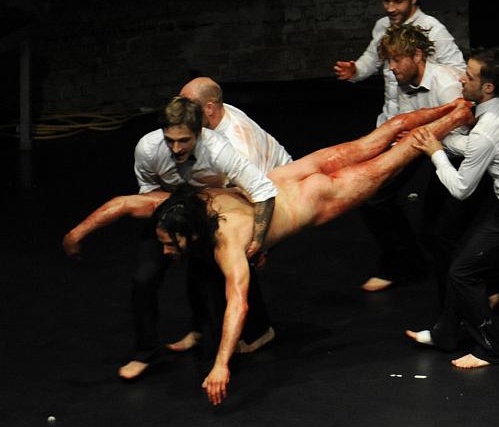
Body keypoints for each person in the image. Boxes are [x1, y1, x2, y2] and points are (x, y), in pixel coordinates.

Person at [63, 99, 474, 406]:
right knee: (379, 137)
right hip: (292, 175)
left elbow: (237, 304)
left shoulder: (226, 242)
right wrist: (78, 233)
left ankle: (460, 114)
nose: (167, 250)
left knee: (399, 152)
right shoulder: (190, 202)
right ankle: (459, 107)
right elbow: (122, 204)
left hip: (317, 199)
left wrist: (221, 364)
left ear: (188, 234)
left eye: (171, 244)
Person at [63, 96, 278, 381]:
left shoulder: (219, 150)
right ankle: (146, 353)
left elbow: (263, 191)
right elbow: (142, 195)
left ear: (199, 133)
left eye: (184, 141)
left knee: (214, 277)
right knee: (144, 277)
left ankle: (220, 344)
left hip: (210, 215)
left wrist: (258, 242)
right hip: (170, 212)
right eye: (170, 140)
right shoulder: (148, 148)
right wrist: (75, 234)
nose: (176, 148)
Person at [404, 47, 499, 368]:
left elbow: (461, 188)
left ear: (487, 87)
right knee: (462, 258)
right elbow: (478, 145)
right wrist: (439, 140)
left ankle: (489, 348)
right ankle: (446, 334)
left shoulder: (486, 131)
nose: (461, 79)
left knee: (463, 272)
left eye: (469, 77)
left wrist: (435, 153)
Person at [172, 74, 293, 353]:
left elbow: (258, 192)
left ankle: (259, 332)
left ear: (209, 108)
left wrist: (262, 242)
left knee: (236, 255)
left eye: (188, 104)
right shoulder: (213, 117)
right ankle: (200, 328)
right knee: (197, 253)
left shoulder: (238, 140)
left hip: (272, 193)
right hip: (240, 189)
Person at [351, 22, 466, 293]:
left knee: (436, 228)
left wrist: (422, 135)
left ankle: (485, 281)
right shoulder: (405, 82)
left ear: (417, 55)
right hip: (421, 142)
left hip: (454, 151)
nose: (391, 68)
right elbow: (405, 125)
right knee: (373, 197)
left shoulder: (446, 84)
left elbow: (461, 139)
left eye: (397, 59)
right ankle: (404, 264)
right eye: (388, 61)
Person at [332, 0, 465, 126]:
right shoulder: (382, 26)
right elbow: (372, 58)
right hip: (390, 118)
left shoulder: (433, 29)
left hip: (423, 120)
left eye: (397, 2)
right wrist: (356, 70)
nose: (390, 8)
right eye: (386, 0)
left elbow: (458, 72)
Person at [180, 75, 292, 173]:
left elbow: (256, 186)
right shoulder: (219, 109)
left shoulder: (238, 144)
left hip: (279, 181)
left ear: (209, 108)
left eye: (188, 106)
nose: (183, 111)